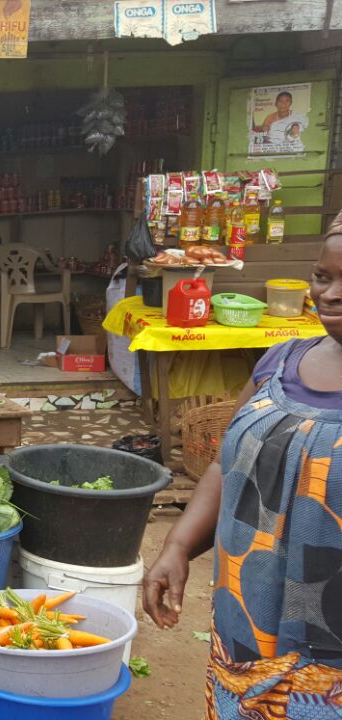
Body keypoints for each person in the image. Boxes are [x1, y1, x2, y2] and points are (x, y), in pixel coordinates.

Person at [141, 228, 342, 719]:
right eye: (322, 276)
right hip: (245, 634)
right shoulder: (281, 362)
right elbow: (227, 466)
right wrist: (178, 546)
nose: (331, 294)